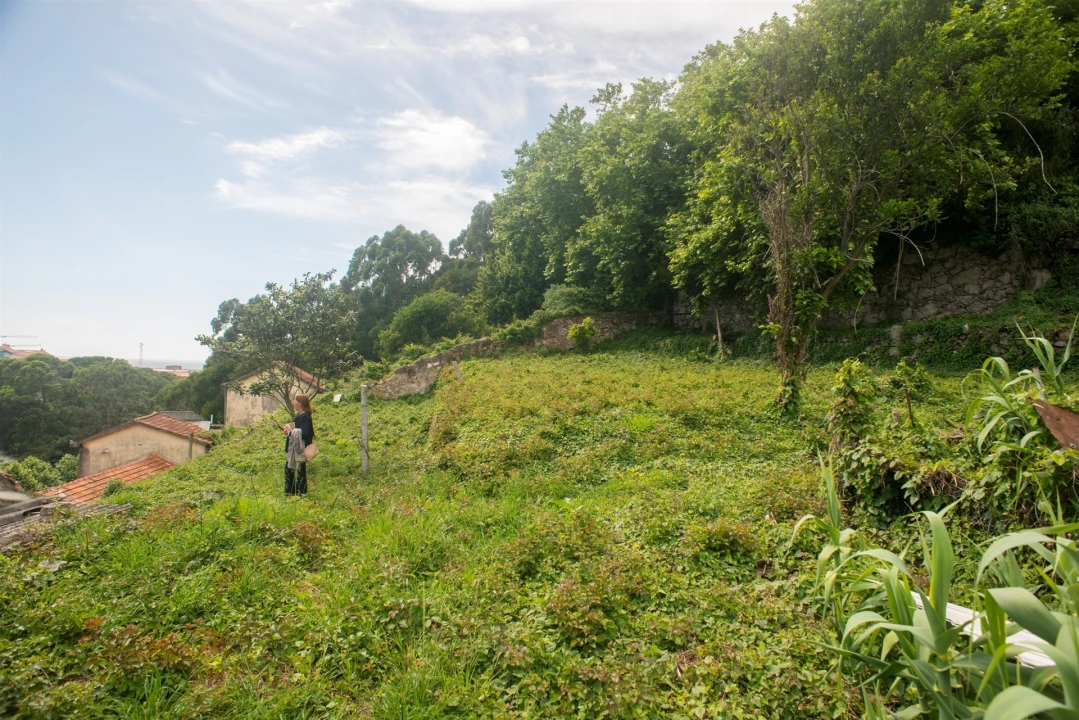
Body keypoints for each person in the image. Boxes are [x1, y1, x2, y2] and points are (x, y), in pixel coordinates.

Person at [283, 394, 315, 496]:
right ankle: (294, 493)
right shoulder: (300, 415)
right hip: (296, 448)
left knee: (298, 471)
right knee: (292, 469)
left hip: (299, 449)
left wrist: (290, 432)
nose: (293, 402)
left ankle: (298, 493)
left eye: (295, 400)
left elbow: (304, 433)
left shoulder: (305, 416)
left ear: (300, 403)